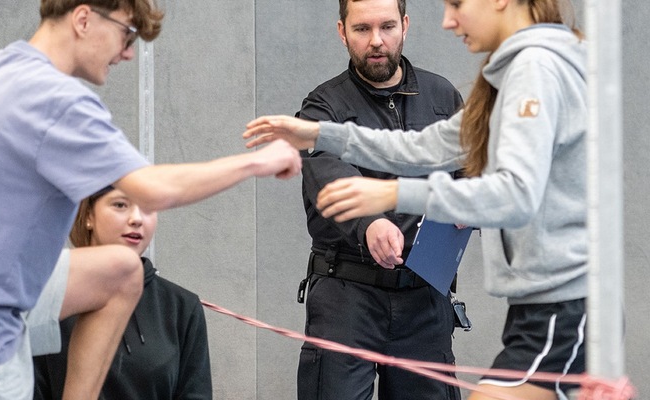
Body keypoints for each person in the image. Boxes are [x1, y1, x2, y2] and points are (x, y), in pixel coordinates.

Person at [0, 1, 300, 399]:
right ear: (82, 19)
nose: (128, 52)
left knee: (121, 272)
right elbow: (153, 189)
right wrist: (257, 162)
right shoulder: (56, 98)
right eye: (126, 33)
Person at [243, 0, 586, 399]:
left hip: (560, 304)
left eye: (456, 3)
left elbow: (515, 192)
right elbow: (424, 147)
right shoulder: (514, 70)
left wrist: (393, 192)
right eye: (362, 29)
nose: (447, 20)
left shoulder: (535, 68)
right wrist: (323, 135)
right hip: (533, 307)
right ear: (342, 31)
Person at [294, 0, 464, 399]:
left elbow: (475, 169)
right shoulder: (323, 106)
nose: (376, 41)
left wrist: (469, 203)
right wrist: (369, 221)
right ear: (342, 31)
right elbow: (328, 176)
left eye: (387, 26)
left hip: (424, 298)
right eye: (361, 29)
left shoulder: (443, 97)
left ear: (405, 25)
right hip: (346, 296)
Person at [34, 186, 212, 399]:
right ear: (89, 215)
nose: (137, 219)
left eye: (148, 208)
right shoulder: (47, 298)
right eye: (120, 205)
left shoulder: (182, 307)